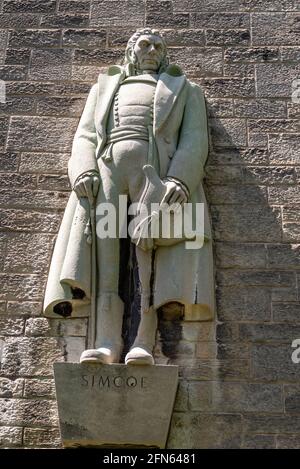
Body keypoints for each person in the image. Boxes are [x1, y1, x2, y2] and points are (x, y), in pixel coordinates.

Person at [43, 28, 214, 365]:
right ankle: (106, 342)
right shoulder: (105, 88)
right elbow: (86, 136)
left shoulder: (185, 90)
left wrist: (180, 178)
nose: (150, 49)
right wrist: (83, 170)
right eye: (144, 44)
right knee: (108, 261)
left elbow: (195, 139)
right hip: (109, 175)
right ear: (131, 50)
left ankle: (142, 342)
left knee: (146, 256)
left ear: (164, 54)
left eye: (157, 46)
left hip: (154, 178)